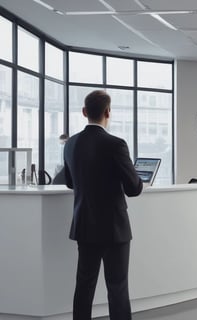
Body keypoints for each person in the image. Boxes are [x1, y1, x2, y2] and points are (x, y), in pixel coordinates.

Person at [64, 90, 143, 319]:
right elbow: (133, 188)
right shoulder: (116, 144)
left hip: (84, 225)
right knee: (117, 287)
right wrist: (138, 182)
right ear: (108, 112)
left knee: (84, 285)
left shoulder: (70, 144)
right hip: (113, 228)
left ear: (84, 112)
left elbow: (70, 182)